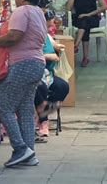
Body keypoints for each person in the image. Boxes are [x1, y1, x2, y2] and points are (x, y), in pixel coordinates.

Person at [0, 0, 47, 167]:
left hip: (22, 63)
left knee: (4, 105)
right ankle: (29, 152)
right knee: (25, 109)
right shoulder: (38, 12)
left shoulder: (22, 11)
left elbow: (15, 36)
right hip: (36, 63)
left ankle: (21, 148)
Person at [35, 10, 70, 141]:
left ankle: (42, 113)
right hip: (37, 73)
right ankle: (43, 121)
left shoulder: (47, 35)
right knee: (41, 88)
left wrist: (58, 47)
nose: (52, 22)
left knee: (63, 87)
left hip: (48, 74)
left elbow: (54, 47)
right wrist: (49, 56)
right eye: (49, 20)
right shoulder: (35, 35)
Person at [67, 0, 107, 67]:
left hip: (92, 18)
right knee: (84, 25)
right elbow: (69, 8)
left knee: (84, 21)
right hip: (79, 19)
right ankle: (85, 57)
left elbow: (104, 6)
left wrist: (89, 14)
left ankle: (76, 45)